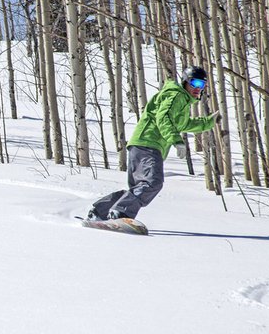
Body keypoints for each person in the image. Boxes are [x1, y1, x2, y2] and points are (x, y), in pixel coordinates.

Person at [88, 65, 219, 221]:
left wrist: (209, 122)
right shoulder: (176, 96)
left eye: (202, 84)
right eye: (194, 83)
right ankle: (120, 213)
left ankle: (100, 212)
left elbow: (182, 124)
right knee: (152, 182)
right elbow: (163, 118)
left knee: (140, 188)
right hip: (148, 144)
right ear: (185, 82)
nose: (198, 88)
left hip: (142, 144)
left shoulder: (182, 102)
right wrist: (176, 140)